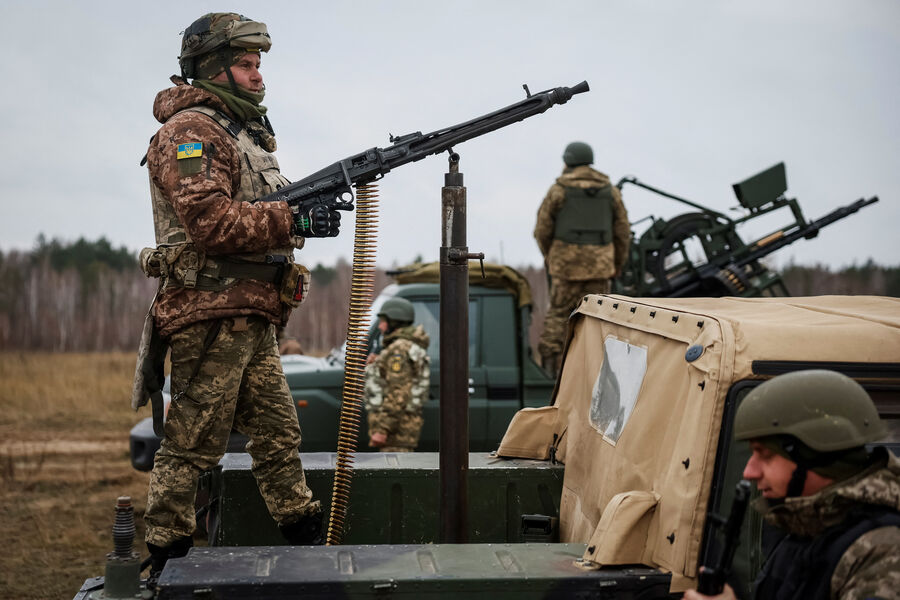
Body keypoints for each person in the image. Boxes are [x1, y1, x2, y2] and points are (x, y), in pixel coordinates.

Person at [138, 12, 344, 582]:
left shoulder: (243, 134)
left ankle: (303, 538)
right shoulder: (192, 132)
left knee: (280, 433)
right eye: (246, 65)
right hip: (208, 311)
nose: (258, 76)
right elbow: (210, 223)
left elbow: (261, 213)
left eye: (259, 65)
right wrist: (292, 216)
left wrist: (303, 216)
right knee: (193, 442)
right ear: (212, 69)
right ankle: (165, 555)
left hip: (250, 312)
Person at [684, 369, 900, 600]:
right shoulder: (807, 527)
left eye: (765, 455)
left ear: (813, 454)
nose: (750, 471)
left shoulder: (884, 547)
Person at [534, 141, 629, 376]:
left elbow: (542, 229)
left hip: (565, 267)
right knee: (600, 318)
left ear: (567, 161)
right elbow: (622, 231)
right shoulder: (610, 190)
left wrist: (552, 256)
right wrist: (616, 264)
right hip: (600, 267)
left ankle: (549, 375)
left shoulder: (559, 189)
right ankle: (600, 372)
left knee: (557, 316)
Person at [364, 298, 431, 452]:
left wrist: (383, 430)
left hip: (396, 433)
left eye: (383, 321)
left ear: (394, 322)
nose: (380, 326)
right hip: (399, 431)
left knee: (394, 470)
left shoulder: (398, 350)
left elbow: (398, 392)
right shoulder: (402, 346)